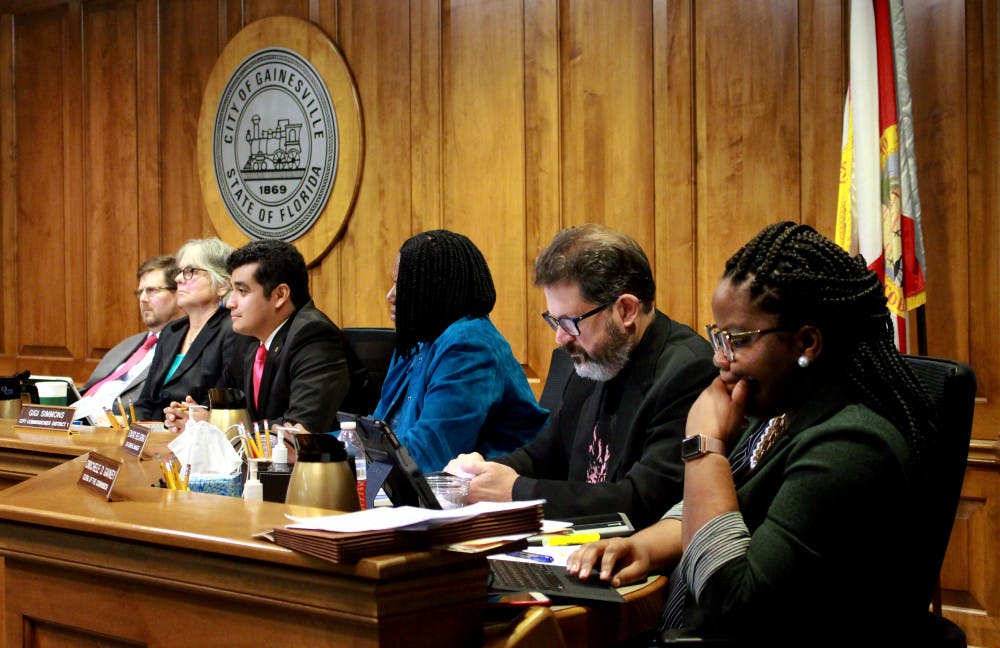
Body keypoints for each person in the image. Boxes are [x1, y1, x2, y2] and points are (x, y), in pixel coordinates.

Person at [566, 222, 941, 645]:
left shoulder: (850, 447)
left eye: (738, 340)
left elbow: (732, 603)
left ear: (807, 342)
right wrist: (643, 547)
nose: (720, 358)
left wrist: (703, 447)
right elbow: (728, 510)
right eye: (719, 337)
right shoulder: (782, 413)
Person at [446, 224, 716, 529]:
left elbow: (644, 501)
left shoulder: (688, 372)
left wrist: (513, 491)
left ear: (626, 309)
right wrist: (479, 475)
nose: (561, 337)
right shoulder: (593, 359)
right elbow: (543, 456)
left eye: (571, 321)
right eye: (554, 321)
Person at [372, 230, 548, 472]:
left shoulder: (469, 344)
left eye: (402, 285)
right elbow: (377, 429)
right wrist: (319, 444)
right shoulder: (416, 341)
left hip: (488, 497)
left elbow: (430, 452)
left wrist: (349, 456)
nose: (390, 296)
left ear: (435, 289)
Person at [164, 240, 373, 434]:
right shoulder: (249, 338)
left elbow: (300, 428)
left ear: (280, 295)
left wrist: (219, 427)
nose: (230, 303)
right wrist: (192, 415)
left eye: (242, 291)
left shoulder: (314, 337)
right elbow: (223, 403)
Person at [133, 238, 242, 422]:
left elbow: (221, 406)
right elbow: (144, 401)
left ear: (222, 284)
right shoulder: (172, 331)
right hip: (154, 435)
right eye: (179, 272)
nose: (178, 279)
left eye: (189, 272)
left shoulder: (232, 330)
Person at [77, 256, 184, 415]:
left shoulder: (184, 346)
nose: (143, 299)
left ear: (179, 293)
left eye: (152, 290)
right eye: (140, 292)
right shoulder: (127, 345)